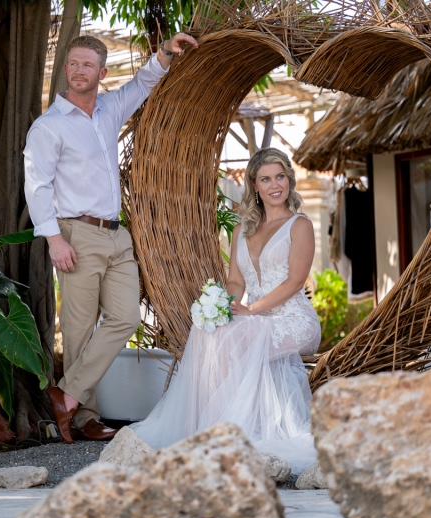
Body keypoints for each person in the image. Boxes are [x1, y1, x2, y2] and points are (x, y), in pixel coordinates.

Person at [24, 33, 199, 444]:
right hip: (76, 233)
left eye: (88, 65)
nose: (79, 71)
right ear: (65, 68)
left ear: (101, 73)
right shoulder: (48, 127)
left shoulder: (108, 109)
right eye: (73, 64)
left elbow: (141, 83)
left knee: (125, 317)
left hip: (116, 235)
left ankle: (65, 395)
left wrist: (165, 53)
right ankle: (84, 417)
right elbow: (37, 186)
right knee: (80, 329)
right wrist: (54, 239)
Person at [131, 148, 322, 473]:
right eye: (266, 179)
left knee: (241, 336)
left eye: (280, 177)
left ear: (289, 179)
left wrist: (251, 310)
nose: (275, 185)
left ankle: (226, 434)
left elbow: (295, 281)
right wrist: (225, 305)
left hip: (293, 320)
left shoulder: (299, 225)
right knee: (210, 330)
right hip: (254, 317)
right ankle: (214, 429)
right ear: (254, 185)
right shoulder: (242, 230)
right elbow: (235, 281)